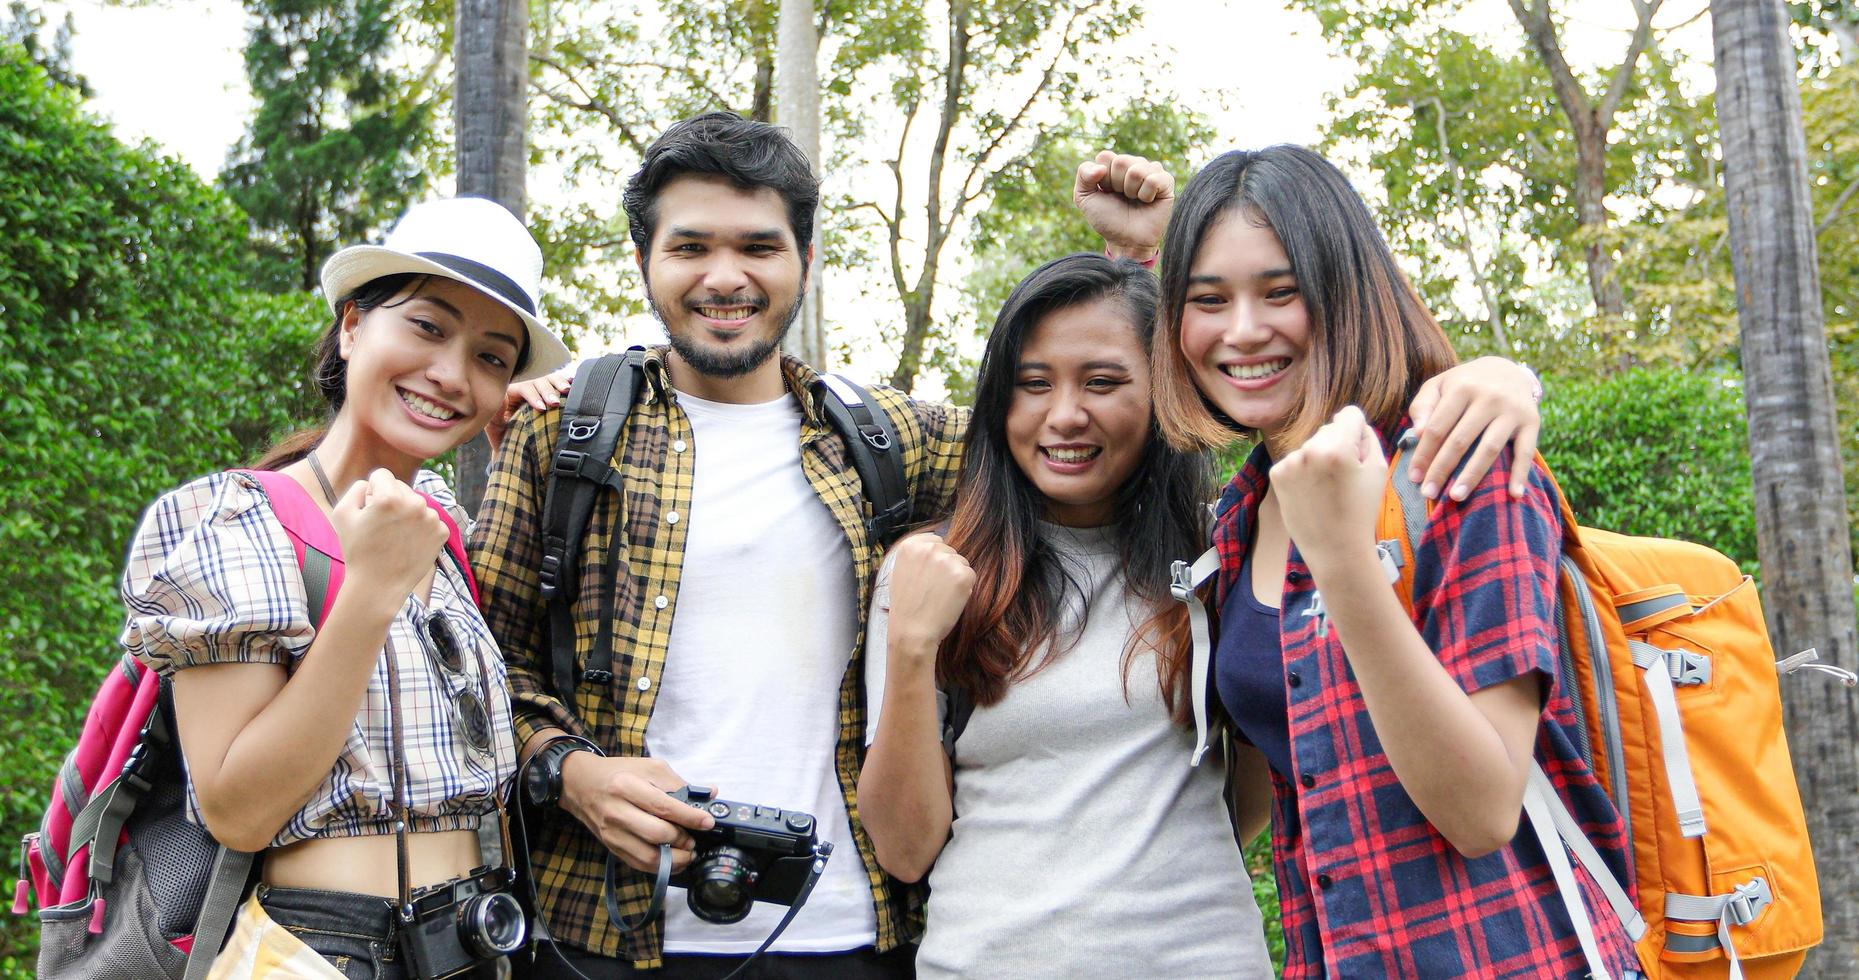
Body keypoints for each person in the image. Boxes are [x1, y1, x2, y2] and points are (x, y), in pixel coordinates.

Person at [471, 112, 1544, 979]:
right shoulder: (569, 437)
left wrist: (1494, 373)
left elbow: (1158, 375)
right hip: (614, 926)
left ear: (802, 258)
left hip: (855, 930)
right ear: (642, 262)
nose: (725, 274)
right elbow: (485, 667)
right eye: (690, 246)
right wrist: (566, 770)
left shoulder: (888, 442)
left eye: (757, 244)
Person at [1146, 144, 1641, 978]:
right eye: (1207, 300)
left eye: (1280, 291)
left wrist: (1342, 565)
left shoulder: (1459, 469)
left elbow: (1482, 810)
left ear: (1343, 293)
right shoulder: (1237, 514)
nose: (1241, 331)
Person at [119, 196, 572, 979]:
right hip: (321, 953)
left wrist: (528, 448)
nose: (451, 374)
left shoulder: (447, 532)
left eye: (491, 359)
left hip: (476, 946)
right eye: (428, 327)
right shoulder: (237, 520)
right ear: (354, 324)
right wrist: (370, 591)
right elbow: (240, 809)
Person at [856, 252, 1273, 979]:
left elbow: (1252, 789)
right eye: (1033, 384)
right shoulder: (932, 570)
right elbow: (903, 847)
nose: (1064, 414)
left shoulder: (1223, 553)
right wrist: (913, 645)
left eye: (1103, 382)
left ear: (1161, 394)